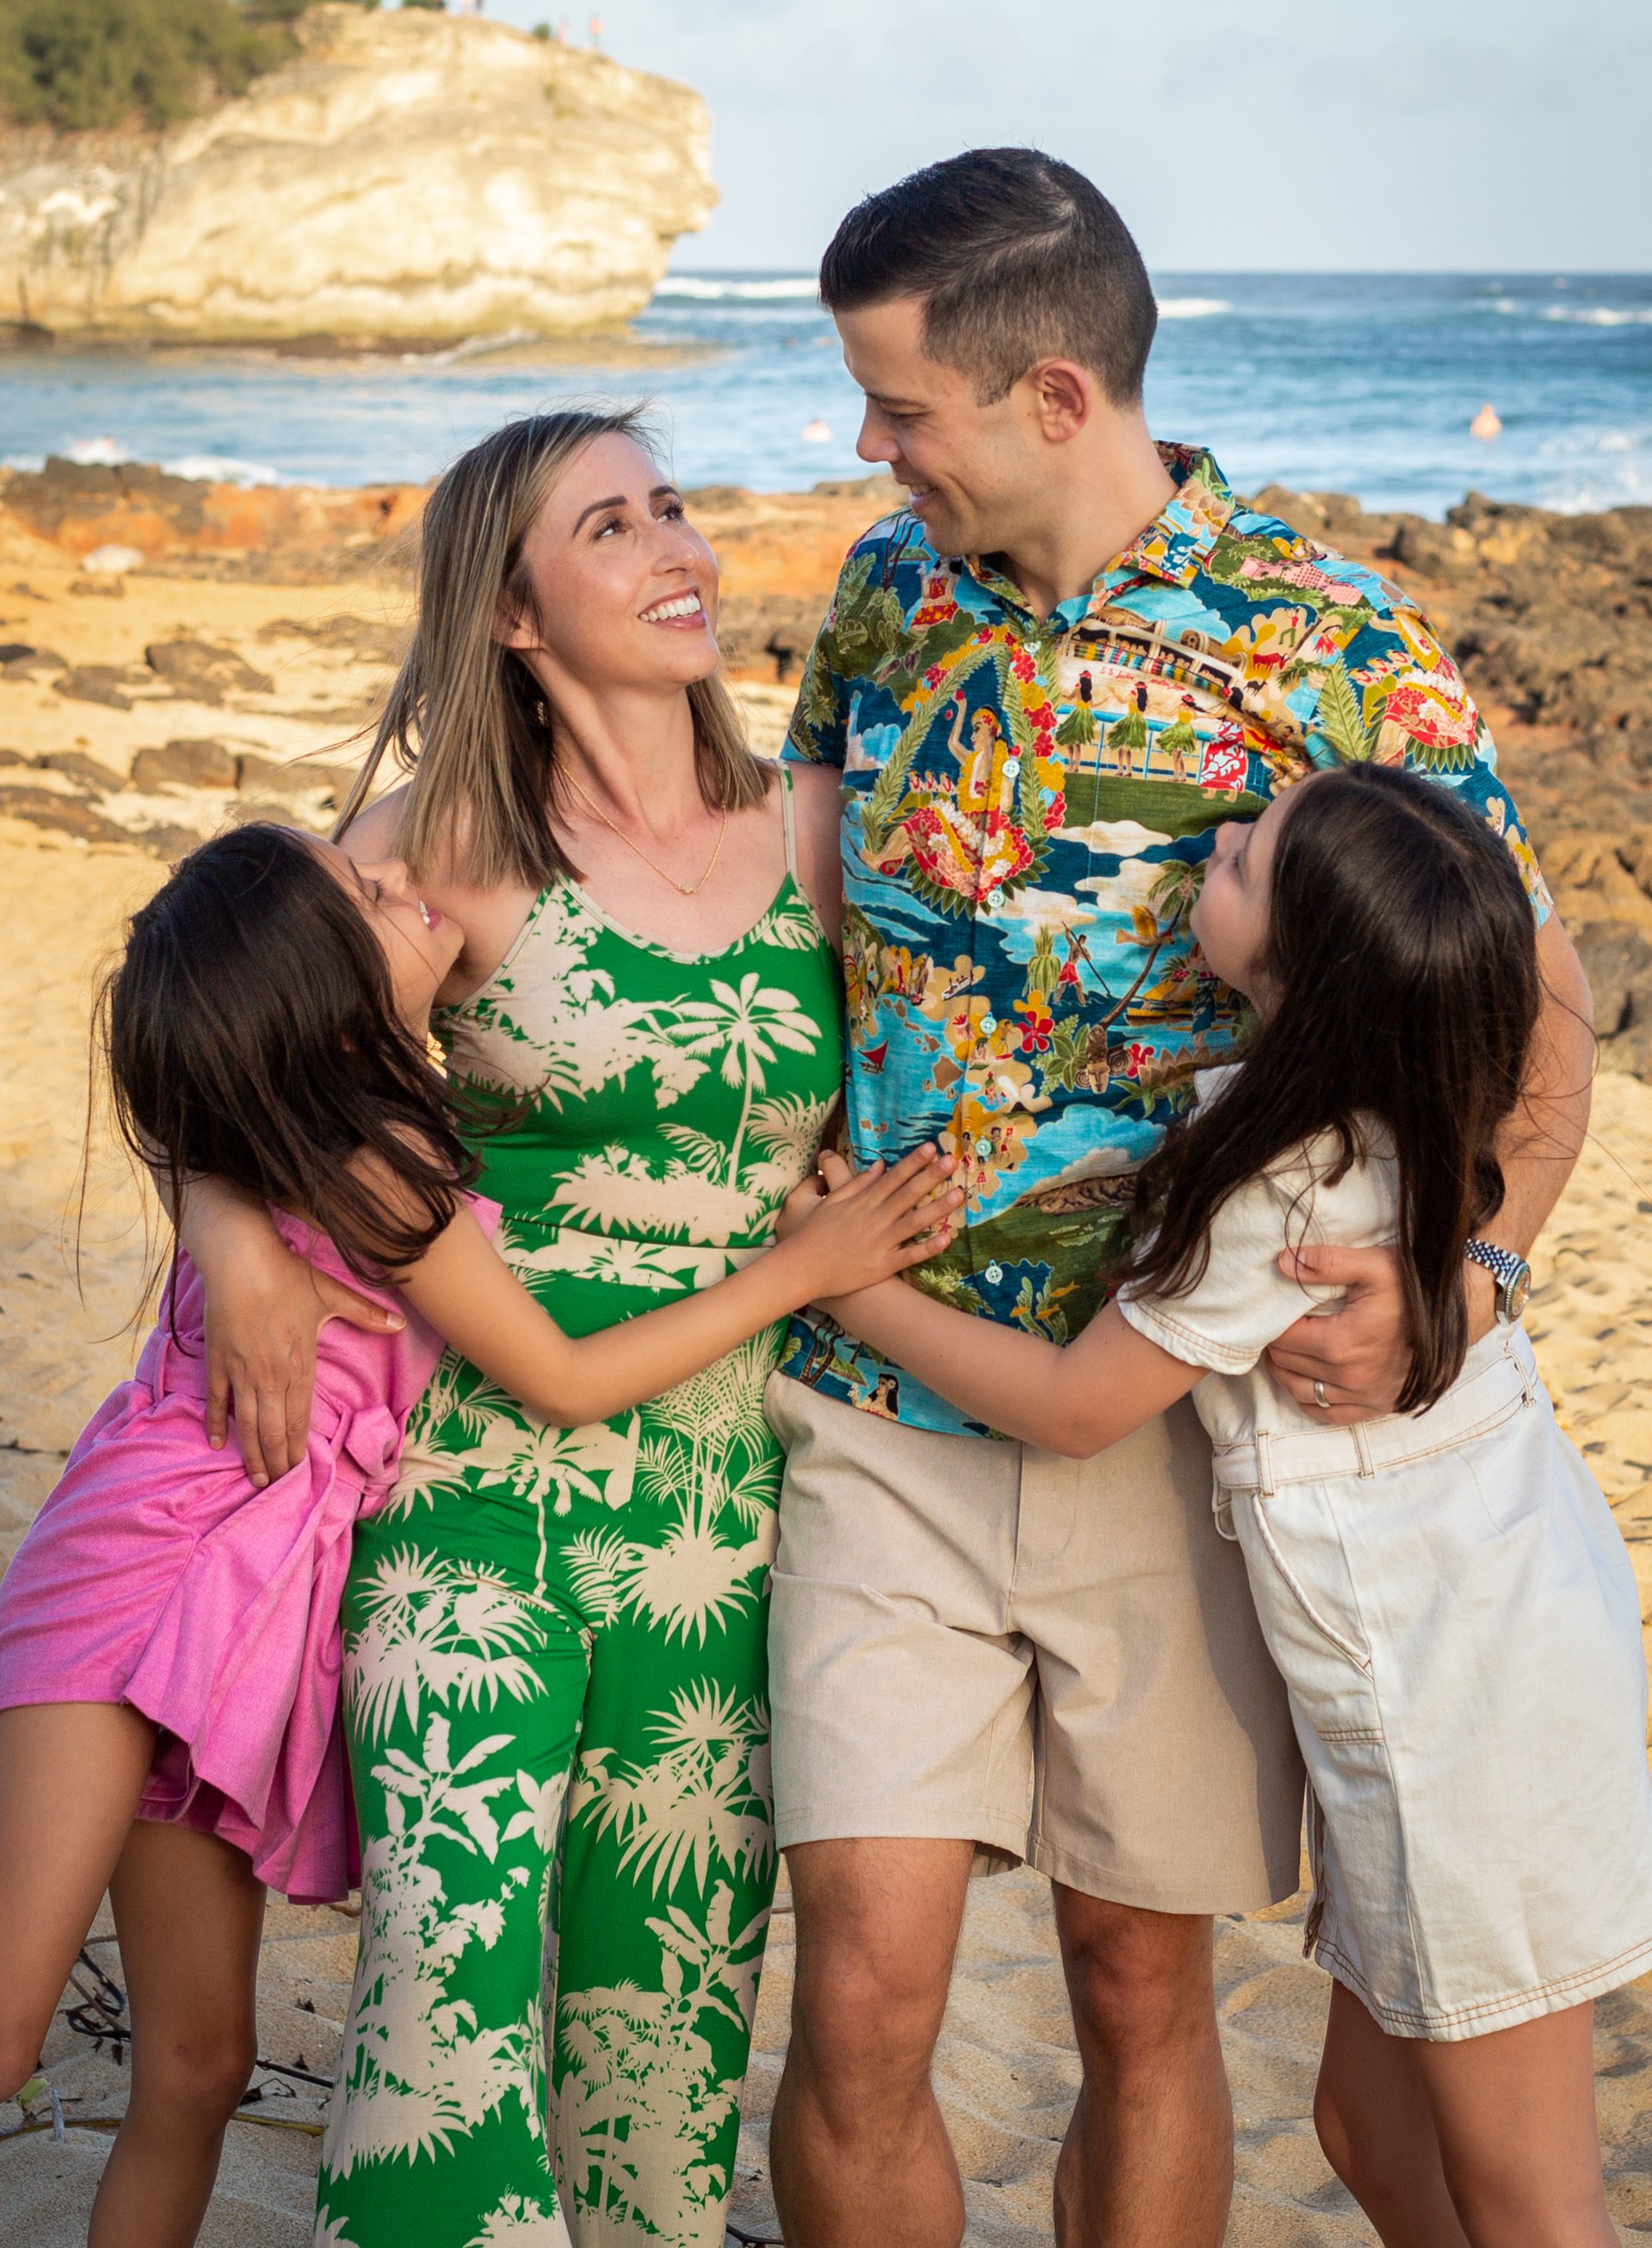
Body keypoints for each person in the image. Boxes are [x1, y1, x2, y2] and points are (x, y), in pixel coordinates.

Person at [770, 148, 1594, 2248]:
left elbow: (1542, 1012)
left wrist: (1475, 1269)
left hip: (1178, 1438)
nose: (868, 448)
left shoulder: (1332, 648)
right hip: (874, 1414)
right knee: (859, 1991)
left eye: (900, 406)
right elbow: (776, 913)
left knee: (1140, 1989)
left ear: (1053, 394)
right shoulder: (882, 597)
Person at [0, 819, 952, 2248]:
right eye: (370, 895)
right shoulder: (371, 1155)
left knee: (196, 2067)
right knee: (10, 2019)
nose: (404, 881)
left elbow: (199, 1056)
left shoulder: (347, 1117)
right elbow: (558, 1378)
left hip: (262, 1608)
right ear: (321, 1000)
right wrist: (800, 1270)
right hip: (144, 1573)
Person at [798, 760, 1652, 2248]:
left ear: (1305, 973)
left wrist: (849, 1287)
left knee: (1531, 2194)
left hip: (1456, 1713)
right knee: (1366, 2132)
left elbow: (1077, 1408)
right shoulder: (1404, 1115)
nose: (1226, 835)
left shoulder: (1287, 1189)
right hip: (1479, 1653)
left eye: (1252, 856)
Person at [172, 409, 863, 2247]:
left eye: (673, 508)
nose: (676, 549)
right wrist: (231, 1230)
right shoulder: (436, 848)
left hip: (730, 1517)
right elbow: (226, 1046)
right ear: (510, 611)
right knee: (440, 2004)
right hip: (471, 1493)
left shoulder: (819, 830)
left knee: (665, 2035)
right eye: (611, 526)